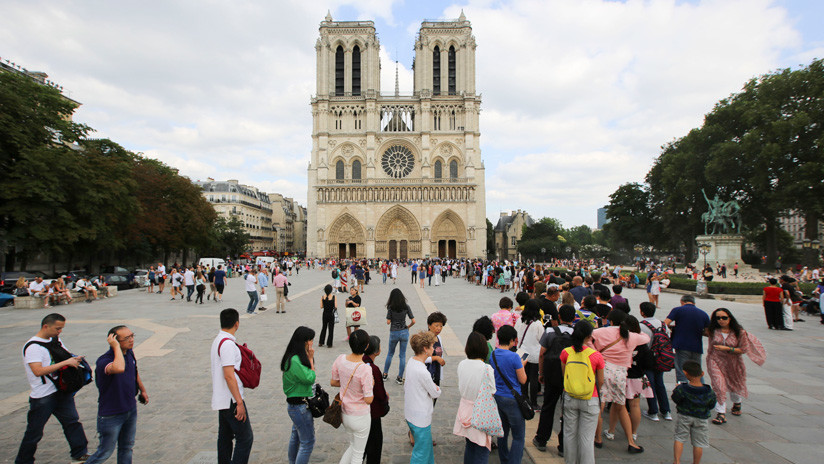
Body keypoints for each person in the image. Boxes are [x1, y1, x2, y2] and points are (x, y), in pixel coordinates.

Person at [16, 313, 90, 464]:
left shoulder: (55, 340)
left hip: (61, 392)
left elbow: (64, 356)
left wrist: (74, 360)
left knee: (72, 422)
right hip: (43, 395)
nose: (59, 332)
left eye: (61, 328)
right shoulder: (33, 347)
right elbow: (38, 371)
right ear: (45, 326)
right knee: (34, 431)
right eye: (57, 328)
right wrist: (66, 363)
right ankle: (23, 460)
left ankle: (80, 453)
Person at [85, 326, 148, 464]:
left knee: (127, 447)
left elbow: (134, 372)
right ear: (114, 340)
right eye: (126, 338)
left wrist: (142, 390)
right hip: (111, 414)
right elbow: (119, 368)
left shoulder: (129, 353)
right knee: (104, 452)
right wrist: (115, 348)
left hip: (130, 409)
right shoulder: (104, 361)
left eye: (132, 336)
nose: (131, 340)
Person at [593, 310, 649, 453]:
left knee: (600, 404)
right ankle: (631, 441)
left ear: (610, 320)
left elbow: (588, 339)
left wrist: (596, 351)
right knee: (620, 405)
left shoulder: (600, 332)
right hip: (621, 373)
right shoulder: (631, 336)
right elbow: (646, 337)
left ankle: (598, 438)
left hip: (603, 369)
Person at [705, 308, 766, 425]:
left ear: (730, 318)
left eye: (724, 318)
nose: (721, 320)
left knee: (734, 384)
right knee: (719, 385)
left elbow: (743, 349)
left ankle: (737, 402)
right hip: (715, 360)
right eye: (718, 318)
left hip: (733, 362)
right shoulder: (713, 331)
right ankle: (721, 413)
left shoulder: (739, 332)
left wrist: (728, 349)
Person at [211, 308, 253, 464]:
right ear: (237, 324)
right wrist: (239, 402)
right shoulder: (227, 344)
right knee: (245, 437)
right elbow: (229, 375)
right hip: (231, 399)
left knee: (225, 436)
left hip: (222, 398)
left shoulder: (218, 340)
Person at [533, 304, 576, 453]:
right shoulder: (576, 333)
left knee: (548, 407)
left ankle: (541, 439)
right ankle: (564, 446)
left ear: (559, 317)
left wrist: (541, 373)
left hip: (552, 374)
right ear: (574, 318)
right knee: (568, 411)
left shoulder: (550, 331)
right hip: (570, 376)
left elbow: (542, 353)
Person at [561, 320, 605, 464]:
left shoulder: (566, 352)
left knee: (569, 435)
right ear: (589, 336)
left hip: (570, 396)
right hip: (590, 399)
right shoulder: (596, 356)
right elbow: (601, 381)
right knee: (586, 438)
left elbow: (564, 375)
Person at [331, 330, 374, 464]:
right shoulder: (365, 369)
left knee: (353, 446)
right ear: (366, 346)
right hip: (360, 416)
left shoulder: (340, 359)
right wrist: (370, 384)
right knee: (358, 454)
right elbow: (368, 399)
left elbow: (333, 382)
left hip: (345, 413)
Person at [454, 332, 495, 463]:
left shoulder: (462, 364)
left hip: (465, 410)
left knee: (470, 445)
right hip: (481, 412)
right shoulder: (486, 368)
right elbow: (492, 391)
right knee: (482, 448)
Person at [491, 325, 527, 464]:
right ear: (513, 340)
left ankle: (504, 459)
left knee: (502, 433)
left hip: (498, 397)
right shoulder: (514, 357)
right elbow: (523, 379)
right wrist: (522, 364)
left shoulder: (493, 355)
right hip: (512, 398)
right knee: (518, 436)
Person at [405, 331, 442, 464]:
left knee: (426, 450)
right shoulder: (422, 371)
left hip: (411, 413)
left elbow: (424, 359)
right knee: (421, 453)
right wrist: (438, 388)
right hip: (421, 417)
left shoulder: (412, 361)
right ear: (425, 349)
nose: (434, 349)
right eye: (432, 346)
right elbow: (435, 393)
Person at [281, 326, 317, 464]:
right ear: (305, 342)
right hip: (299, 407)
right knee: (307, 442)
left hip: (296, 404)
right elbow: (310, 377)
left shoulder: (293, 357)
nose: (312, 343)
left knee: (296, 436)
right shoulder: (295, 360)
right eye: (311, 340)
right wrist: (311, 359)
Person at [671, 361, 716, 464]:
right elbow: (712, 404)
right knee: (699, 443)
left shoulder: (682, 388)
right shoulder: (709, 391)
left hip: (684, 416)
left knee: (680, 438)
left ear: (685, 373)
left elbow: (675, 398)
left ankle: (677, 461)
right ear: (702, 373)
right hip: (701, 418)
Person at [663, 295, 710, 384]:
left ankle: (683, 390)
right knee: (697, 370)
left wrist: (674, 328)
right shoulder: (703, 314)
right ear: (694, 303)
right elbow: (707, 333)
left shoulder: (677, 310)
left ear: (682, 301)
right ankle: (701, 389)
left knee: (681, 369)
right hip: (697, 346)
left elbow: (665, 323)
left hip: (681, 344)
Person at [638, 302, 672, 421]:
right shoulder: (663, 324)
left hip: (648, 358)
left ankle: (653, 411)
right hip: (661, 357)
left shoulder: (641, 325)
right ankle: (666, 411)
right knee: (660, 384)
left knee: (650, 384)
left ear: (642, 312)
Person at [363, 336, 389, 464]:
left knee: (360, 446)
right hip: (372, 412)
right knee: (374, 444)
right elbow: (380, 394)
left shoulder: (360, 362)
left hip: (358, 412)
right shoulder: (373, 369)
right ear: (376, 351)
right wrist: (386, 399)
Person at [514, 300, 543, 407]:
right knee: (534, 378)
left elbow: (516, 334)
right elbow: (541, 339)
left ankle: (524, 399)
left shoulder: (519, 321)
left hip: (522, 352)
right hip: (534, 352)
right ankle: (534, 403)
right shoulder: (538, 324)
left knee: (523, 376)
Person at [383, 288, 415, 385]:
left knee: (390, 353)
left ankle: (385, 374)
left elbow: (388, 322)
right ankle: (400, 377)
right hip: (404, 332)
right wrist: (407, 327)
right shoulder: (406, 306)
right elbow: (413, 321)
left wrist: (392, 319)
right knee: (402, 355)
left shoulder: (391, 307)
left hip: (394, 332)